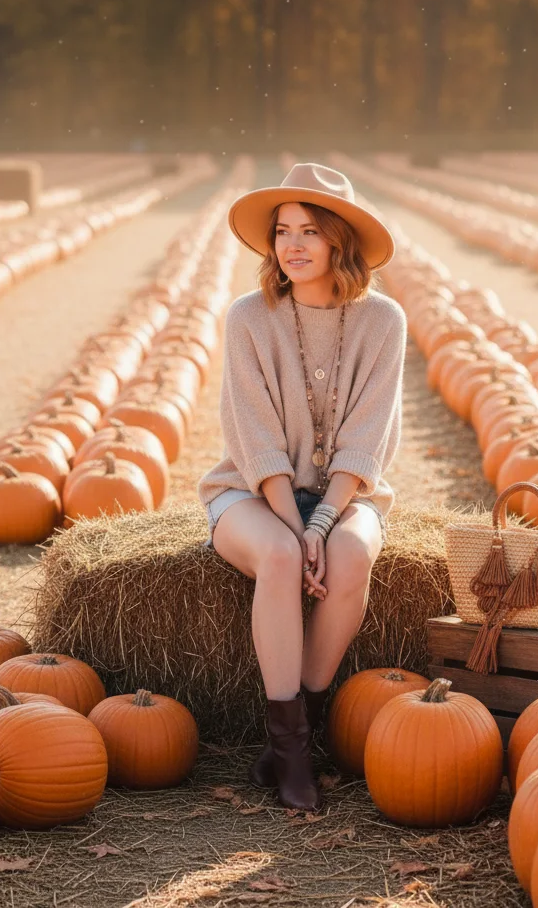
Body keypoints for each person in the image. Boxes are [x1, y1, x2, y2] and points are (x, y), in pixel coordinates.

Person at [197, 162, 406, 811]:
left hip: (347, 495)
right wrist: (296, 528)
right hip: (251, 493)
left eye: (310, 231)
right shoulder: (248, 317)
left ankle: (299, 736)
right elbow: (255, 440)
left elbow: (367, 441)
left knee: (351, 553)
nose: (292, 244)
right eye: (283, 231)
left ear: (340, 241)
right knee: (282, 557)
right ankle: (290, 755)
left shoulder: (383, 320)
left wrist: (322, 524)